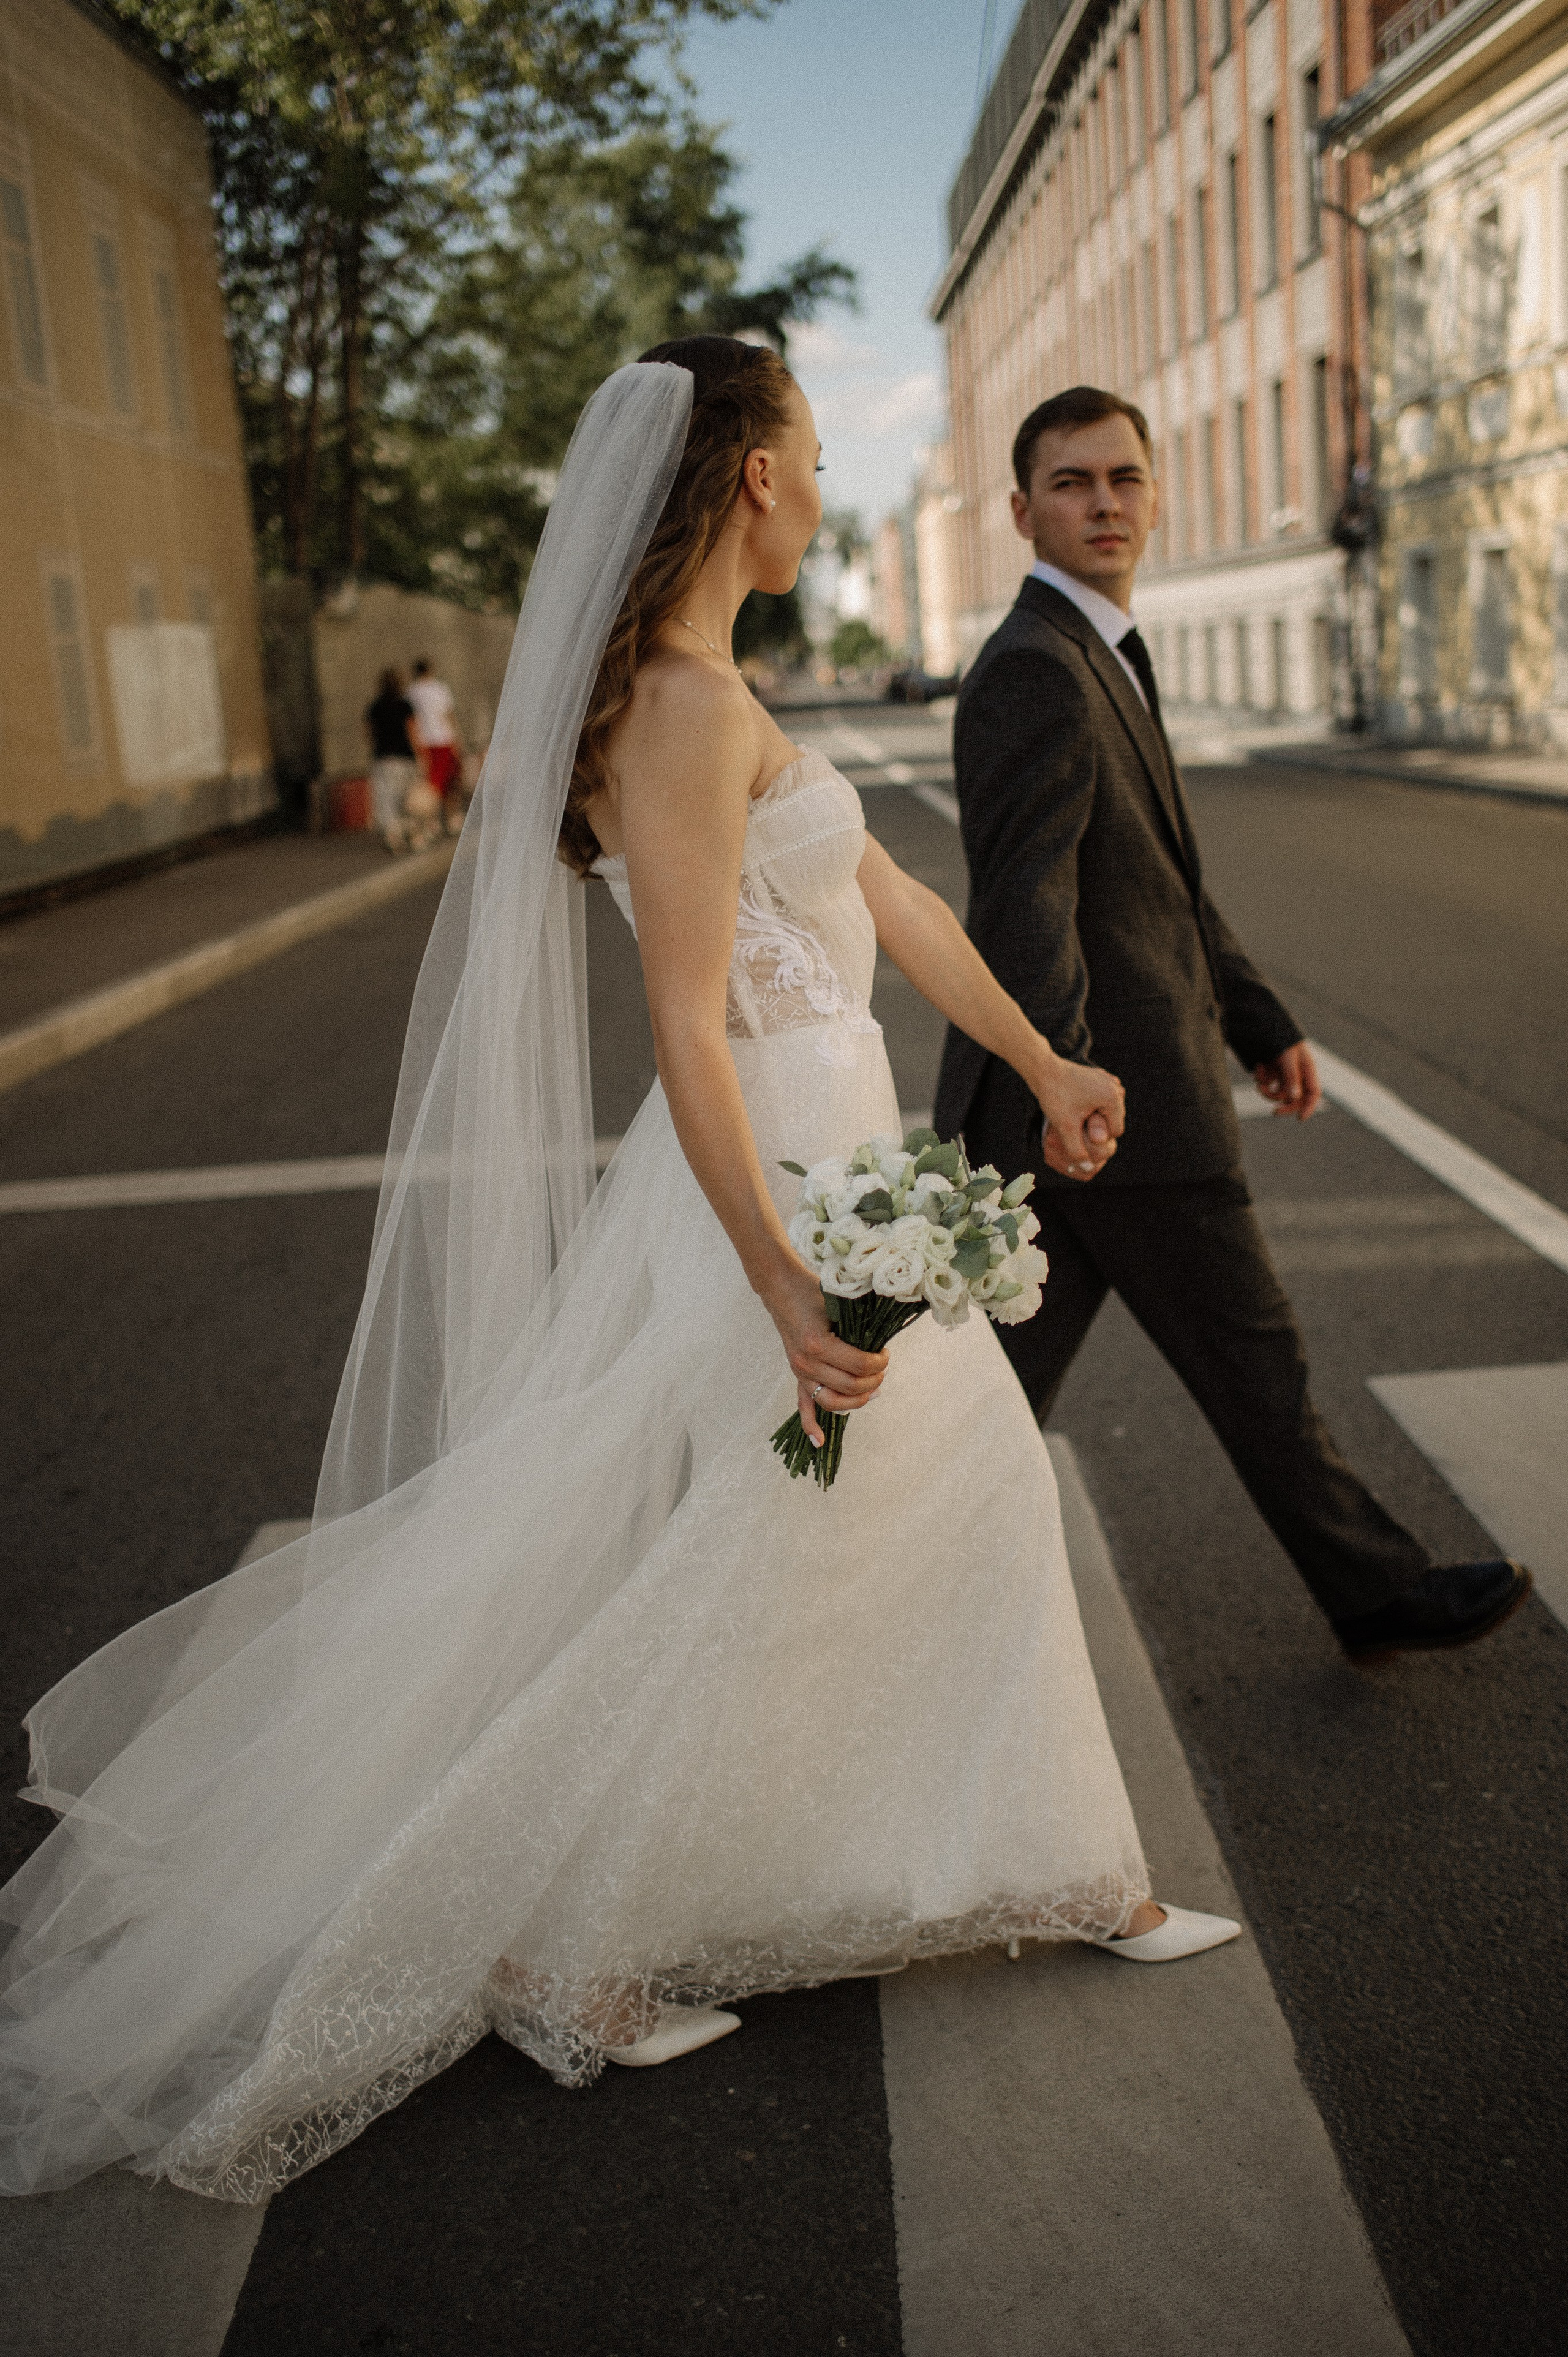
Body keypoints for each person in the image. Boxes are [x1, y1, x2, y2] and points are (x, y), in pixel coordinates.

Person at [1, 345, 1237, 2211]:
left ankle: (1007, 1872)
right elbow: (683, 1026)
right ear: (745, 475)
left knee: (805, 1528)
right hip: (772, 1184)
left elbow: (889, 905)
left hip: (843, 1160)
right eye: (813, 459)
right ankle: (555, 1933)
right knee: (795, 1524)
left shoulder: (718, 686)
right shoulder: (668, 706)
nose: (825, 489)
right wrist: (780, 1283)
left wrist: (1050, 1059)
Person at [933, 383, 1532, 1665]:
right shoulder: (1033, 670)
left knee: (972, 1399)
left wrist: (1257, 1018)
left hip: (1080, 1111)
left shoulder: (1091, 650)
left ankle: (842, 1585)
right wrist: (1066, 1072)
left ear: (1151, 492)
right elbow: (1026, 894)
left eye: (1122, 478)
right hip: (1108, 1108)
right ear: (1019, 510)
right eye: (1071, 482)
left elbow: (1155, 881)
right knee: (1238, 1362)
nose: (1103, 502)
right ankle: (1371, 1589)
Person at [364, 667, 422, 851]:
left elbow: (369, 734)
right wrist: (420, 755)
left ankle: (393, 837)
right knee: (406, 798)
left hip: (384, 759)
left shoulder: (374, 707)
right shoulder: (405, 705)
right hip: (405, 758)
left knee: (386, 799)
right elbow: (412, 732)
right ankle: (412, 835)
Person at [407, 657, 464, 815]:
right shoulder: (440, 688)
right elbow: (449, 715)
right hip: (444, 738)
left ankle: (432, 820)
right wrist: (457, 739)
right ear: (430, 670)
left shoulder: (411, 692)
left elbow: (412, 721)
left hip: (425, 741)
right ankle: (452, 814)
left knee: (431, 782)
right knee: (449, 780)